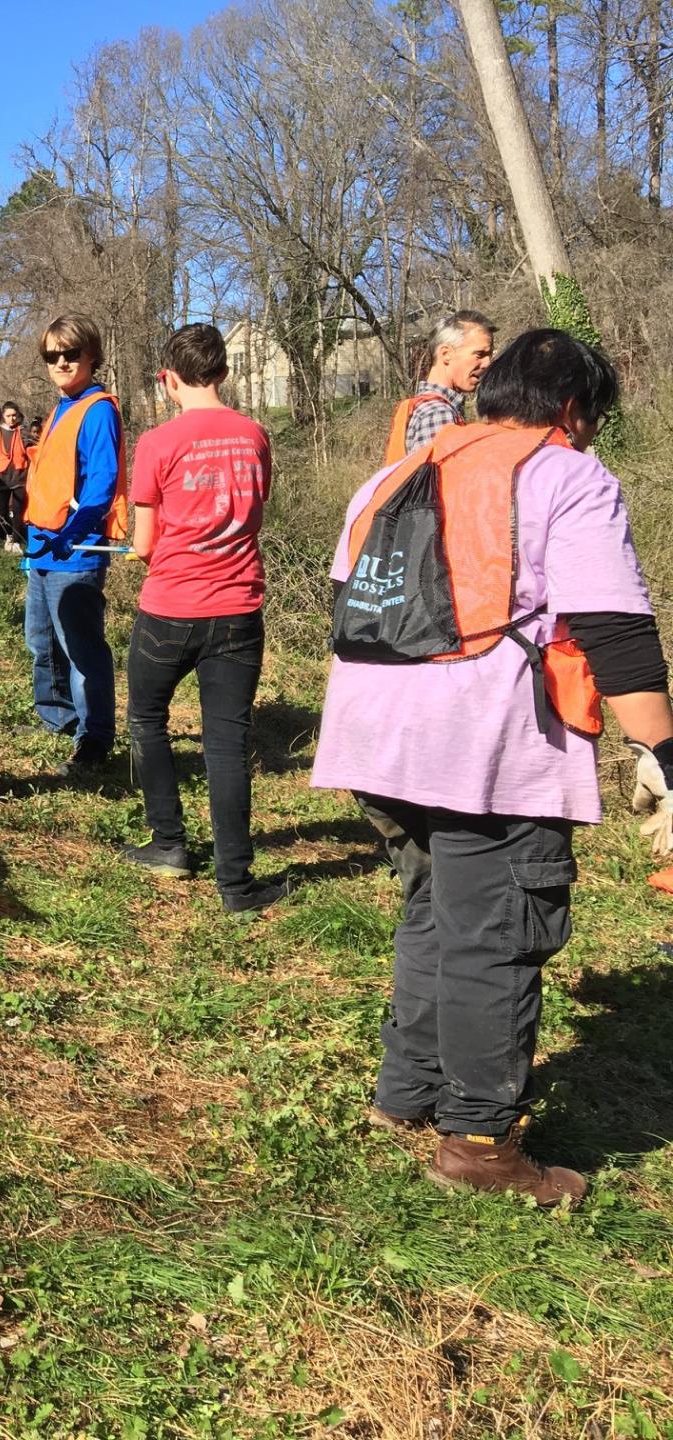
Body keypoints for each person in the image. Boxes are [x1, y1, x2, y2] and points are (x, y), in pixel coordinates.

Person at [314, 329, 673, 1207]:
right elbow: (615, 630)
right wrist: (663, 753)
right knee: (498, 930)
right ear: (575, 412)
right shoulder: (567, 475)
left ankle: (406, 1092)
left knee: (435, 908)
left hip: (371, 735)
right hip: (476, 744)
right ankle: (478, 1140)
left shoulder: (395, 471)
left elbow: (348, 603)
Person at [120, 324, 289, 913]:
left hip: (170, 608)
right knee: (227, 744)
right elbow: (254, 516)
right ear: (222, 372)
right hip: (238, 608)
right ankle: (237, 885)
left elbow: (142, 546)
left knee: (147, 718)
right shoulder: (255, 435)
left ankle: (169, 842)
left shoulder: (156, 444)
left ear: (169, 379)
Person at [22, 314, 123, 777]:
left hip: (74, 551)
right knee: (41, 641)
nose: (60, 362)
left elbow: (102, 481)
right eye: (52, 355)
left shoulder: (97, 408)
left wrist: (77, 531)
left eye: (70, 354)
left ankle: (95, 739)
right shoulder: (63, 407)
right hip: (42, 547)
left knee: (81, 648)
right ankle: (56, 717)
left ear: (91, 356)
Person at [383, 309, 495, 463]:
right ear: (445, 354)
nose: (487, 363)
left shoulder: (420, 407)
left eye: (490, 356)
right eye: (479, 354)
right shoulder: (439, 415)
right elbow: (443, 486)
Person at [0, 402, 32, 548]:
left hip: (20, 477)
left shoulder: (23, 432)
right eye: (8, 416)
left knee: (19, 511)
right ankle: (9, 534)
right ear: (3, 416)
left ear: (18, 416)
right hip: (2, 477)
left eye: (14, 415)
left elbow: (32, 450)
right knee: (0, 511)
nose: (12, 418)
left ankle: (16, 542)